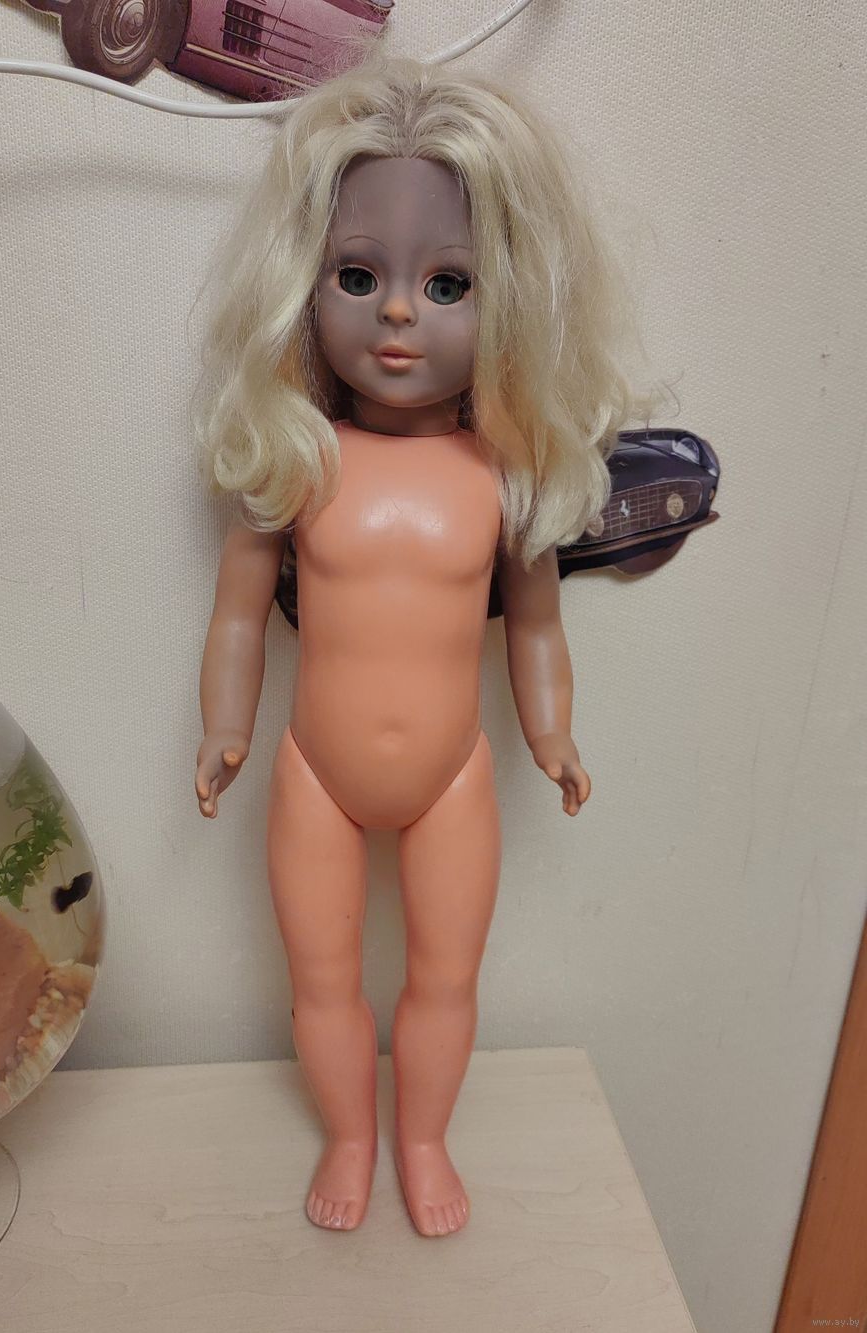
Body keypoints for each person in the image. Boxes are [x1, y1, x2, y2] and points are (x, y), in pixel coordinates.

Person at [191, 46, 655, 1236]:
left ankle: (425, 1137)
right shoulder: (301, 461)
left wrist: (550, 732)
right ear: (302, 285)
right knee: (323, 981)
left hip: (454, 777)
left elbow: (534, 620)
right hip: (313, 772)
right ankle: (352, 1134)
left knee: (446, 977)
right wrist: (224, 728)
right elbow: (238, 611)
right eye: (358, 275)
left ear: (516, 300)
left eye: (449, 284)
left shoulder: (503, 474)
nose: (398, 311)